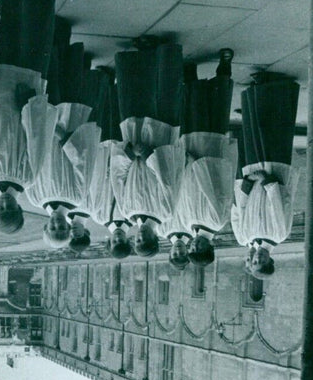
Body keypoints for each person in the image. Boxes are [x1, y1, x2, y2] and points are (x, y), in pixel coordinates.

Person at [0, 0, 57, 236]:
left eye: (1, 211)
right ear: (19, 208)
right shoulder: (28, 178)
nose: (5, 205)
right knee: (25, 40)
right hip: (21, 101)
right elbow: (37, 139)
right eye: (11, 209)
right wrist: (31, 105)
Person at [110, 38, 186, 257]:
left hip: (133, 147)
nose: (140, 235)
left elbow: (118, 179)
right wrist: (150, 155)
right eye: (146, 239)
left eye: (138, 239)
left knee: (136, 99)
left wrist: (128, 155)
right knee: (162, 99)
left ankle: (143, 54)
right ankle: (165, 52)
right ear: (154, 239)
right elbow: (168, 182)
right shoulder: (165, 212)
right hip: (157, 147)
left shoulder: (127, 211)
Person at [230, 73, 301, 276]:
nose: (258, 258)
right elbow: (280, 203)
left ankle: (257, 90)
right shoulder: (279, 234)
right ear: (270, 260)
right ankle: (277, 87)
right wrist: (266, 181)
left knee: (255, 135)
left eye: (254, 262)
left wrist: (247, 184)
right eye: (262, 261)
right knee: (272, 133)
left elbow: (239, 209)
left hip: (252, 179)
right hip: (271, 175)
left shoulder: (246, 237)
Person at [172, 51, 238, 266]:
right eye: (198, 247)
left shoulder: (190, 223)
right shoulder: (216, 221)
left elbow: (183, 193)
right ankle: (224, 66)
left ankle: (189, 73)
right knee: (215, 111)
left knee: (190, 114)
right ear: (210, 246)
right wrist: (194, 164)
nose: (193, 244)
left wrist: (183, 166)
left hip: (190, 158)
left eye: (192, 247)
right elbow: (211, 186)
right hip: (207, 157)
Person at [22, 96, 101, 248]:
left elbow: (30, 158)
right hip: (69, 126)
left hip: (43, 127)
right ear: (68, 227)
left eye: (52, 228)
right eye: (62, 228)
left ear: (46, 227)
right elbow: (82, 163)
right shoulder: (76, 198)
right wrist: (63, 137)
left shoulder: (35, 197)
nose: (56, 224)